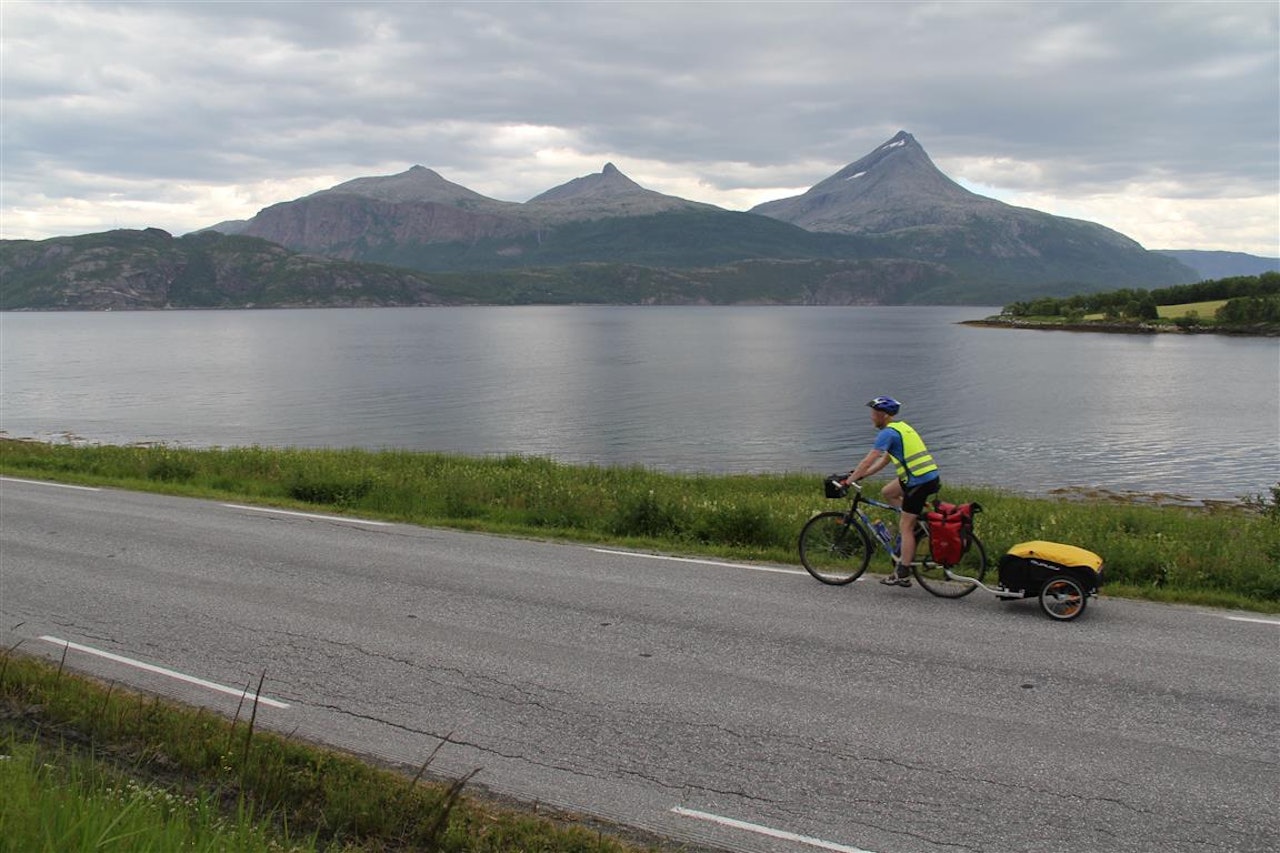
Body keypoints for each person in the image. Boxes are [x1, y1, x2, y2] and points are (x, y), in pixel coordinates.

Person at [842, 396, 940, 587]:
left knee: (905, 525)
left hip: (918, 482)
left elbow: (868, 460)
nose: (871, 417)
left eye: (874, 414)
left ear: (884, 415)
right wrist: (862, 475)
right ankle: (916, 521)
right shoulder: (901, 427)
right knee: (888, 492)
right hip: (922, 477)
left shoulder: (887, 434)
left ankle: (902, 572)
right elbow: (884, 460)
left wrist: (848, 481)